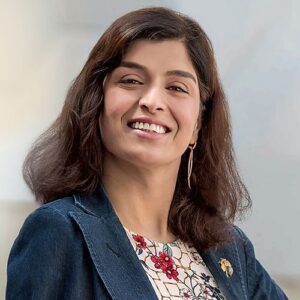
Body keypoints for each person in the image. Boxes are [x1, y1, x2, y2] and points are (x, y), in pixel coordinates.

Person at [6, 7, 287, 300]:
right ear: (96, 103)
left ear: (197, 126)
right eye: (130, 81)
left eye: (176, 87)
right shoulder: (59, 232)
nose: (152, 101)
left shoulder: (230, 249)